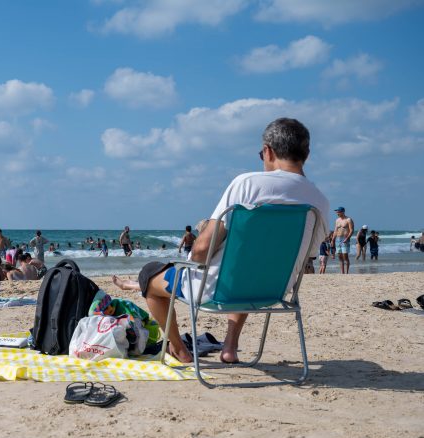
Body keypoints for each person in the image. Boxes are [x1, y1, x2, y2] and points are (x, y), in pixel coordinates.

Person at [137, 117, 329, 363]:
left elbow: (202, 250)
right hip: (273, 291)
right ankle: (230, 346)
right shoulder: (319, 200)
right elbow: (307, 256)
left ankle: (179, 350)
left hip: (219, 289)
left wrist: (197, 247)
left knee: (148, 276)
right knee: (249, 267)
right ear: (307, 154)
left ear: (268, 151)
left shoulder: (248, 184)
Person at [332, 207, 354, 274]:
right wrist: (332, 240)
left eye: (338, 212)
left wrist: (347, 238)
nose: (337, 213)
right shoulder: (337, 220)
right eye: (337, 212)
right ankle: (342, 272)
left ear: (342, 212)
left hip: (345, 238)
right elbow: (335, 231)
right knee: (339, 256)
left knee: (345, 256)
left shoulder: (348, 219)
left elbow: (351, 230)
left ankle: (347, 272)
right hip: (338, 239)